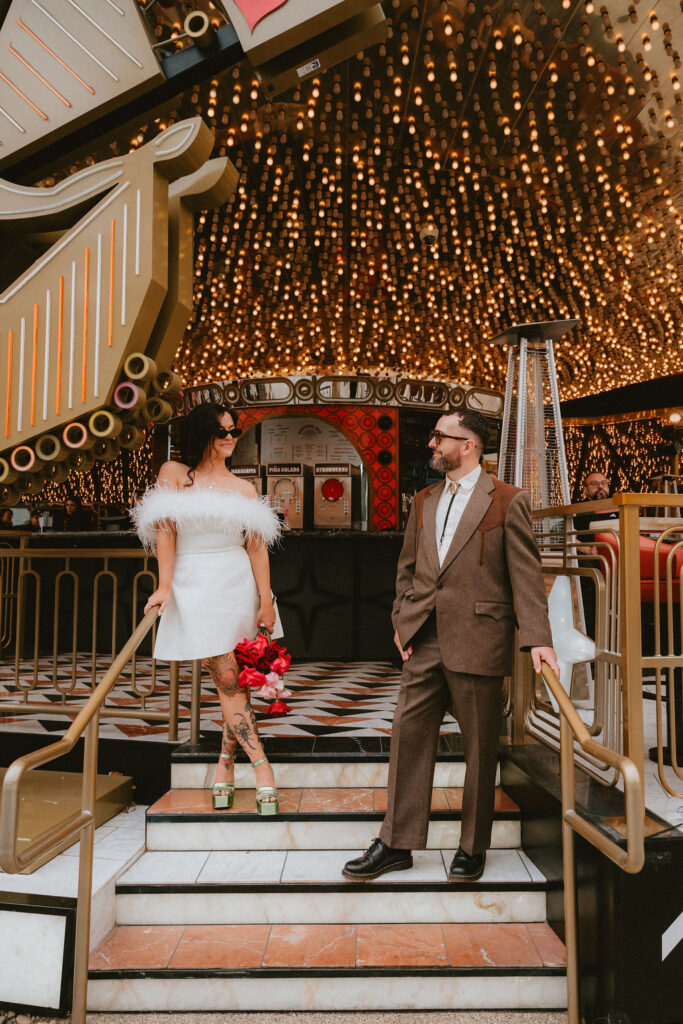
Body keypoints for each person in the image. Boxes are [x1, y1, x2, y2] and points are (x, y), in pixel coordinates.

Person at [343, 410, 559, 883]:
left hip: (479, 639)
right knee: (407, 738)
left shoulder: (508, 501)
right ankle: (396, 843)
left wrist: (538, 639)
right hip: (422, 639)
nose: (432, 444)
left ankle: (472, 847)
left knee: (479, 749)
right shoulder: (423, 500)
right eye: (434, 436)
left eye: (441, 437)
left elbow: (526, 577)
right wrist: (401, 621)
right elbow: (407, 569)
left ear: (468, 445)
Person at [132, 403, 282, 814]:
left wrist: (266, 601)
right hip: (196, 588)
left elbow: (257, 549)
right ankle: (263, 770)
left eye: (234, 431)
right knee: (229, 680)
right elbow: (165, 533)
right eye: (222, 432)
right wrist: (164, 586)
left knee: (235, 684)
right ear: (202, 435)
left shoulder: (244, 488)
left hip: (238, 587)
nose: (231, 438)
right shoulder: (173, 474)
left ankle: (225, 764)